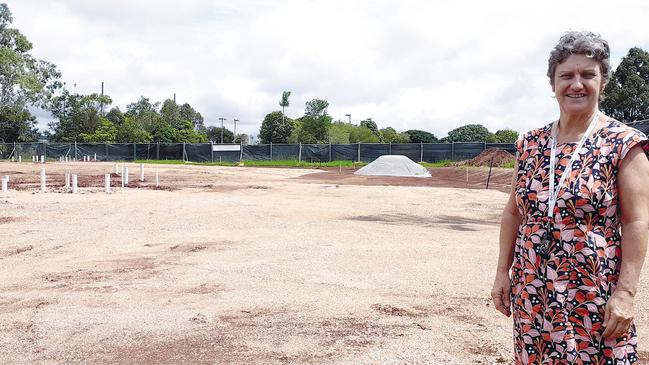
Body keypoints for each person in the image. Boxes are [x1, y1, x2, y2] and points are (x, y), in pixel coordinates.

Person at [491, 31, 649, 363]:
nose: (576, 84)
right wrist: (502, 272)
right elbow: (513, 213)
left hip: (592, 290)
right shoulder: (530, 143)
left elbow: (637, 221)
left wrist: (626, 293)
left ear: (602, 81)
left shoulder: (623, 144)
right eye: (566, 75)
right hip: (533, 288)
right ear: (553, 84)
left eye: (587, 74)